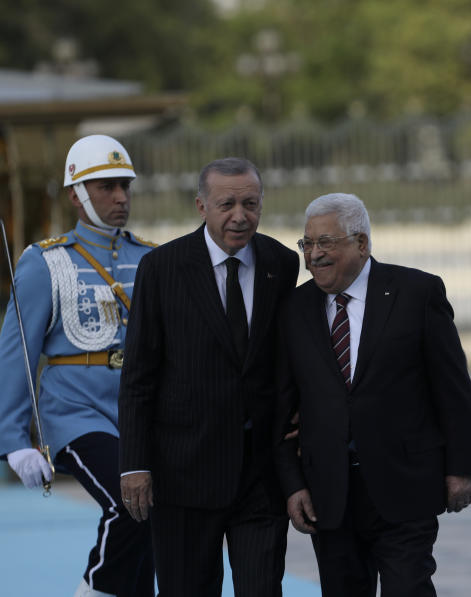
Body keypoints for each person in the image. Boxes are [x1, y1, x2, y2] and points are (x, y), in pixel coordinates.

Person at [274, 192, 471, 597]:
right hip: (329, 493)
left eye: (325, 243)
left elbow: (453, 388)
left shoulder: (417, 293)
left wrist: (461, 468)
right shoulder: (295, 308)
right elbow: (282, 405)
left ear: (362, 243)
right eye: (307, 244)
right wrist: (292, 484)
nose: (313, 255)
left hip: (405, 484)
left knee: (408, 588)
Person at [118, 157, 299, 596]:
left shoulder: (282, 264)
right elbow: (139, 375)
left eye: (251, 203)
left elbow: (286, 360)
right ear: (201, 206)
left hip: (260, 476)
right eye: (227, 204)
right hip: (183, 474)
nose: (241, 215)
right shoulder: (161, 269)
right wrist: (135, 464)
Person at [0, 134, 155, 597]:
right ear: (76, 194)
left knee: (155, 520)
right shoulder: (44, 261)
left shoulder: (150, 257)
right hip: (76, 414)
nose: (121, 197)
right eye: (106, 186)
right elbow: (18, 352)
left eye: (125, 185)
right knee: (129, 505)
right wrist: (12, 440)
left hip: (141, 416)